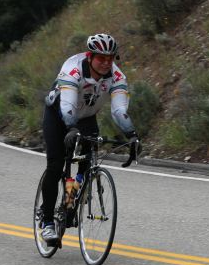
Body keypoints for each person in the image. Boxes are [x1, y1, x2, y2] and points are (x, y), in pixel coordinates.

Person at [40, 34, 138, 245]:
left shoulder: (117, 77)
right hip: (59, 115)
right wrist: (71, 128)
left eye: (110, 58)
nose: (106, 63)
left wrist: (132, 135)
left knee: (87, 160)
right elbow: (67, 105)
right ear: (90, 56)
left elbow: (119, 110)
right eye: (101, 58)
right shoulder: (72, 69)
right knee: (56, 166)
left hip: (86, 117)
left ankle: (71, 197)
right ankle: (47, 222)